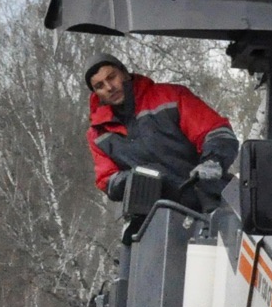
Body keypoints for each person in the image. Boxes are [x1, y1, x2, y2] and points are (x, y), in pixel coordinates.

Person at [83, 55, 239, 210]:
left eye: (111, 77)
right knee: (131, 234)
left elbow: (216, 131)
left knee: (249, 226)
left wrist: (214, 160)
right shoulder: (97, 135)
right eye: (100, 86)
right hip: (159, 213)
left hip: (215, 197)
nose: (109, 87)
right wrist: (129, 180)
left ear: (124, 73)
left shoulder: (169, 97)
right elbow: (106, 178)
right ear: (95, 93)